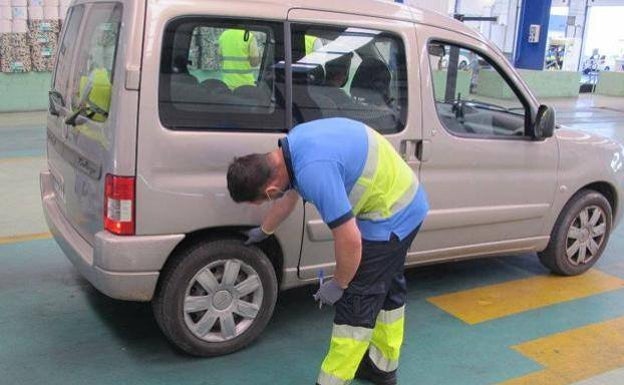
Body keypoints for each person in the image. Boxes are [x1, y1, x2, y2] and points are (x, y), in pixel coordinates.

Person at [226, 117, 429, 385]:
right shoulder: (292, 147)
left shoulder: (313, 171)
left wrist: (339, 284)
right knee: (387, 287)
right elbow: (289, 196)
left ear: (270, 188)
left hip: (392, 215)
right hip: (405, 200)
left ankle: (333, 380)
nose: (266, 202)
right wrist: (265, 230)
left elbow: (350, 240)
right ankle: (382, 368)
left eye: (262, 200)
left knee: (357, 301)